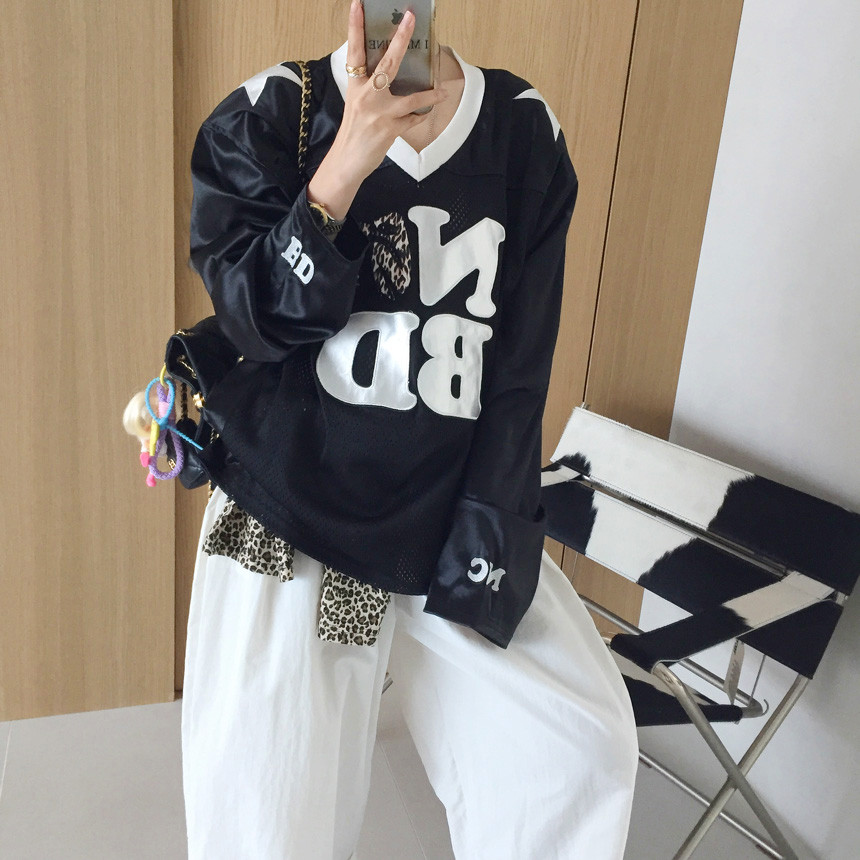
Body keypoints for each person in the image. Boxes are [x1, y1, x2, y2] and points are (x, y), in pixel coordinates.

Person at [181, 1, 640, 858]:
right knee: (271, 813)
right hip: (294, 513)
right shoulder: (269, 114)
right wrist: (342, 169)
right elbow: (252, 325)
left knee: (576, 751)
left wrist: (490, 539)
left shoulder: (522, 132)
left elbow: (518, 375)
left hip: (447, 513)